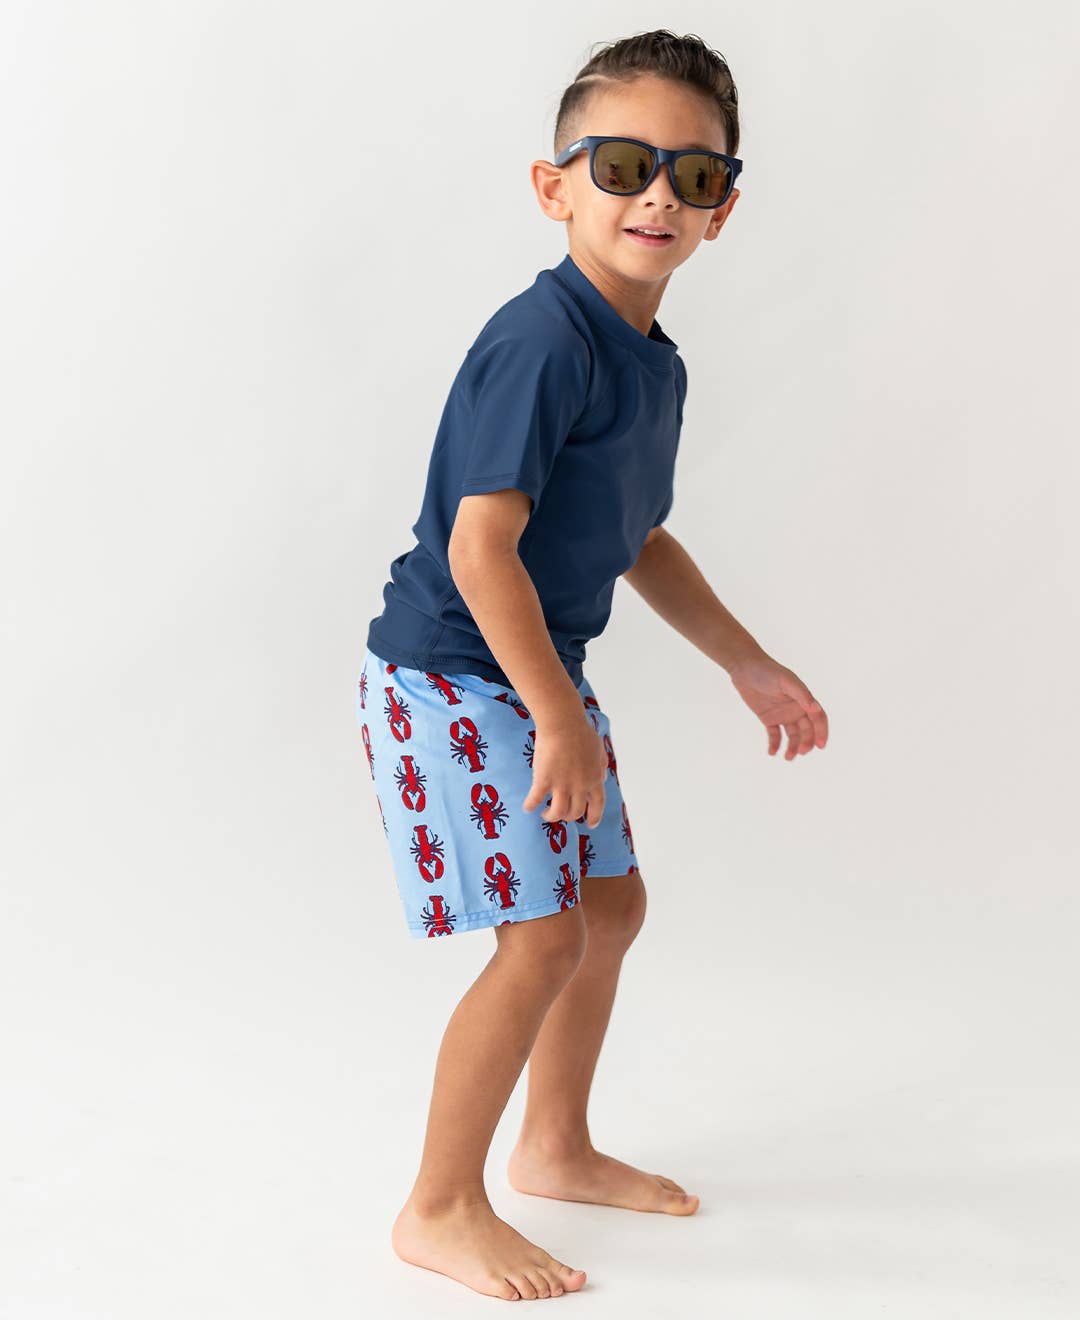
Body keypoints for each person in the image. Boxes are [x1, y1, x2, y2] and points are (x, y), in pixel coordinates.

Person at [355, 29, 829, 1303]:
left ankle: (554, 1147)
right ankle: (437, 1207)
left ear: (723, 208)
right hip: (453, 676)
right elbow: (480, 548)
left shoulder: (650, 361)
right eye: (623, 165)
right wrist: (557, 717)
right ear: (553, 186)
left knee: (609, 911)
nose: (657, 195)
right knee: (542, 936)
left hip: (535, 675)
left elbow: (638, 538)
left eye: (695, 174)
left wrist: (747, 662)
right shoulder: (544, 341)